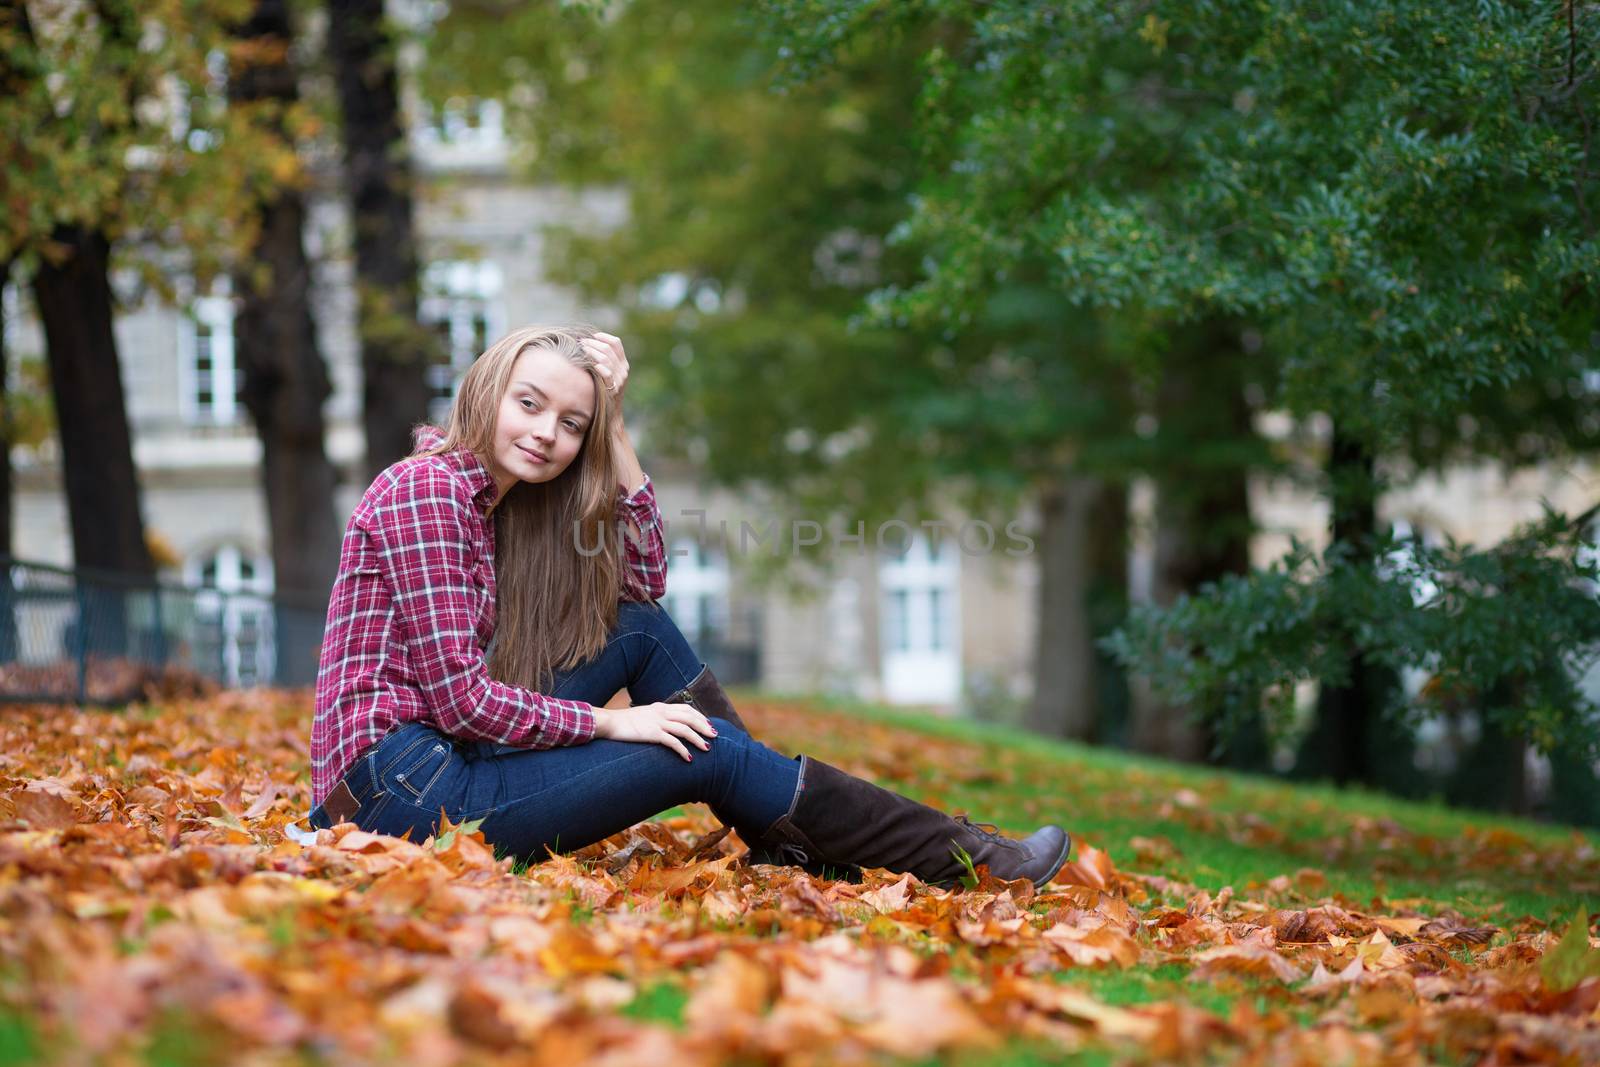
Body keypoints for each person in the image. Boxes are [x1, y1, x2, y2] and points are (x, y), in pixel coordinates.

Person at [306, 324, 1072, 889]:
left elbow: (643, 582)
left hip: (428, 768)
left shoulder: (492, 499)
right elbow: (462, 699)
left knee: (638, 631)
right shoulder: (428, 488)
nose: (547, 433)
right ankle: (976, 861)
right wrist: (615, 720)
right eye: (530, 404)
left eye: (573, 424)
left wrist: (619, 426)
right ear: (487, 389)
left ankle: (785, 827)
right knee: (707, 750)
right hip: (404, 797)